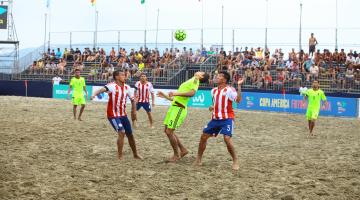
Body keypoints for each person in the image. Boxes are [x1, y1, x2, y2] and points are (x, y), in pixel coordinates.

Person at [194, 71, 243, 170]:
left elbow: (238, 100)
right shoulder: (213, 91)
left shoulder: (230, 90)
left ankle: (235, 161)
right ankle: (198, 159)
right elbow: (216, 103)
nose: (217, 77)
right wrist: (212, 107)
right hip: (215, 119)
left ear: (224, 80)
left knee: (227, 139)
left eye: (220, 76)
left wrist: (239, 86)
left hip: (227, 118)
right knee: (203, 137)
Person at [157, 71, 209, 162]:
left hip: (179, 109)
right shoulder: (192, 80)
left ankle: (176, 155)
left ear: (201, 76)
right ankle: (183, 150)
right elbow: (177, 99)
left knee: (169, 132)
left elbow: (192, 93)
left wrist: (175, 93)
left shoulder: (196, 80)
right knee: (167, 130)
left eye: (201, 72)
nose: (199, 71)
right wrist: (165, 96)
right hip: (174, 107)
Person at [91, 70, 142, 160]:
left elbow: (133, 100)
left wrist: (134, 111)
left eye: (124, 75)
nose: (124, 76)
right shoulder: (112, 86)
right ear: (117, 77)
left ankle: (135, 154)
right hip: (113, 115)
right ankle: (120, 155)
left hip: (123, 115)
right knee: (121, 132)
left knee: (130, 135)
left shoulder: (127, 87)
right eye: (122, 75)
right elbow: (101, 89)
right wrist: (94, 94)